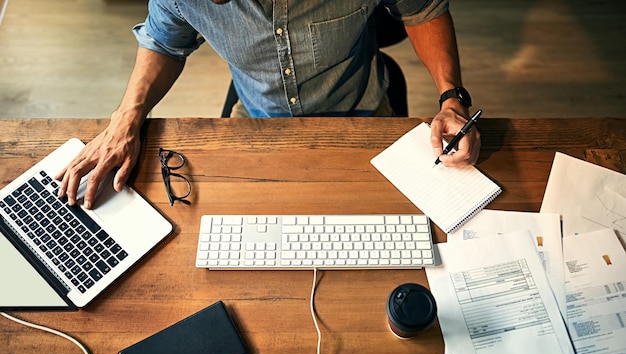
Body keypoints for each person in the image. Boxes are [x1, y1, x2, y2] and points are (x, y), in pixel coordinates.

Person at [56, 0, 481, 209]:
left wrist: (451, 97)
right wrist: (127, 115)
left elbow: (422, 8)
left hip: (361, 116)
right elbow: (165, 39)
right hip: (258, 121)